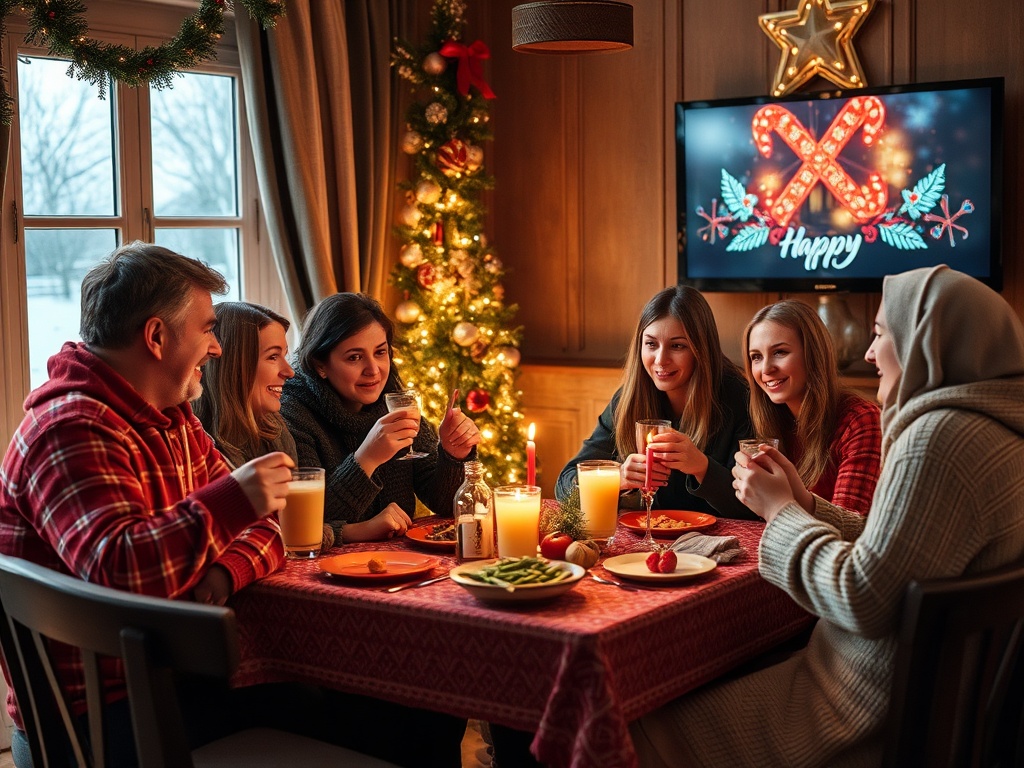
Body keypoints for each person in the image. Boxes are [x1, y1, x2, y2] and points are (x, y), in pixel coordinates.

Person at [630, 265, 1024, 767]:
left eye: (880, 333)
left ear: (928, 340)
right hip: (928, 693)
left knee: (637, 716)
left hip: (855, 704)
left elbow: (862, 597)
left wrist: (780, 510)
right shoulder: (997, 434)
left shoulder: (936, 439)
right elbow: (892, 550)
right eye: (755, 356)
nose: (867, 351)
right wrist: (808, 505)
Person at [0, 242, 296, 764]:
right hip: (98, 718)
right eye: (207, 329)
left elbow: (268, 528)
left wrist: (222, 573)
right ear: (157, 337)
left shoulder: (171, 415)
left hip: (165, 678)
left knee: (377, 707)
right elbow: (120, 570)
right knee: (365, 721)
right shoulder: (71, 429)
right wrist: (233, 504)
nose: (218, 347)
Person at [280, 291, 481, 541]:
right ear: (320, 364)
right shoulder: (293, 412)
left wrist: (453, 454)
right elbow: (309, 522)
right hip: (326, 571)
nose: (373, 370)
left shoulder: (393, 399)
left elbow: (444, 503)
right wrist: (367, 458)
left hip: (399, 561)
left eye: (380, 352)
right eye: (355, 357)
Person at [555, 284, 756, 519]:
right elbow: (564, 483)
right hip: (647, 544)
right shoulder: (629, 399)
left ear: (701, 350)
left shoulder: (739, 398)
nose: (660, 360)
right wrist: (615, 478)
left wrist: (703, 467)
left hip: (717, 547)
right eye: (651, 344)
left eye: (677, 346)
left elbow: (753, 507)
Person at [743, 300, 881, 515]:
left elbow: (850, 527)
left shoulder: (861, 420)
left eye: (780, 352)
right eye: (756, 357)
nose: (766, 369)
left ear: (813, 355)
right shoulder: (771, 417)